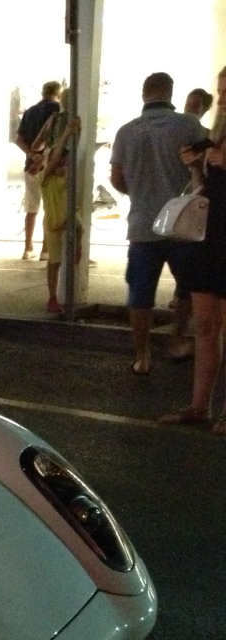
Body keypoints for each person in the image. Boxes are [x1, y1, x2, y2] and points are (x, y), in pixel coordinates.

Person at [109, 72, 206, 373]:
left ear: (144, 94)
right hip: (181, 225)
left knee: (140, 295)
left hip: (142, 225)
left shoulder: (126, 132)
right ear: (171, 93)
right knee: (188, 287)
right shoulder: (190, 126)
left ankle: (142, 356)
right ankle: (177, 337)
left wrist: (138, 192)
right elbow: (207, 165)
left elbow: (116, 179)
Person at [159, 66, 226, 434]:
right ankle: (199, 405)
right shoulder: (216, 134)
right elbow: (204, 188)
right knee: (205, 325)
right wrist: (197, 168)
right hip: (212, 231)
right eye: (221, 92)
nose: (224, 99)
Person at [33, 100, 82, 314]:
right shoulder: (46, 177)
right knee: (54, 262)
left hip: (68, 219)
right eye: (59, 158)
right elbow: (53, 159)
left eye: (65, 159)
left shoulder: (69, 174)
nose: (62, 161)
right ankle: (52, 297)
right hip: (53, 223)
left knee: (79, 227)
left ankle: (77, 247)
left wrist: (76, 133)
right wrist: (66, 133)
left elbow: (72, 154)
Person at [16, 81, 63, 260]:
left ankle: (28, 248)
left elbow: (19, 139)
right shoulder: (58, 111)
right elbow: (55, 141)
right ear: (58, 94)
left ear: (43, 92)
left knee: (32, 207)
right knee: (50, 207)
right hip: (50, 166)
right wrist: (43, 158)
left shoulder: (29, 112)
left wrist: (32, 155)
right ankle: (46, 249)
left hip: (31, 166)